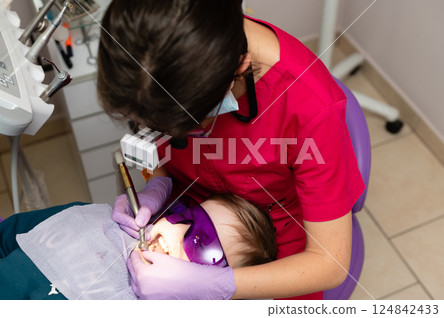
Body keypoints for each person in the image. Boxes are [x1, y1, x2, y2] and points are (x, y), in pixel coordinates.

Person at [97, 0, 365, 300]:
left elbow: (330, 264)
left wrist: (220, 285)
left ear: (240, 66)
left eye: (186, 126)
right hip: (185, 206)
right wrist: (158, 182)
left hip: (272, 243)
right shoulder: (155, 58)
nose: (167, 134)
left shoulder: (310, 106)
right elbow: (163, 147)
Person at [0, 180, 277, 300]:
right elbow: (8, 235)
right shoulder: (94, 219)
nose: (178, 232)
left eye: (203, 246)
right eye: (185, 214)